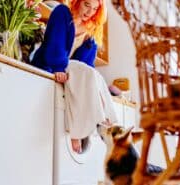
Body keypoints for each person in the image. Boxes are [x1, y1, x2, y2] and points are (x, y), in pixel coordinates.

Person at [31, 0, 117, 153]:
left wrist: (92, 90)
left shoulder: (91, 33)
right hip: (49, 67)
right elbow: (54, 44)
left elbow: (87, 66)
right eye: (87, 5)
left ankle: (106, 120)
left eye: (95, 9)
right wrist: (58, 67)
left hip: (69, 76)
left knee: (93, 75)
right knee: (89, 75)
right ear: (77, 2)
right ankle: (83, 130)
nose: (90, 12)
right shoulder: (62, 13)